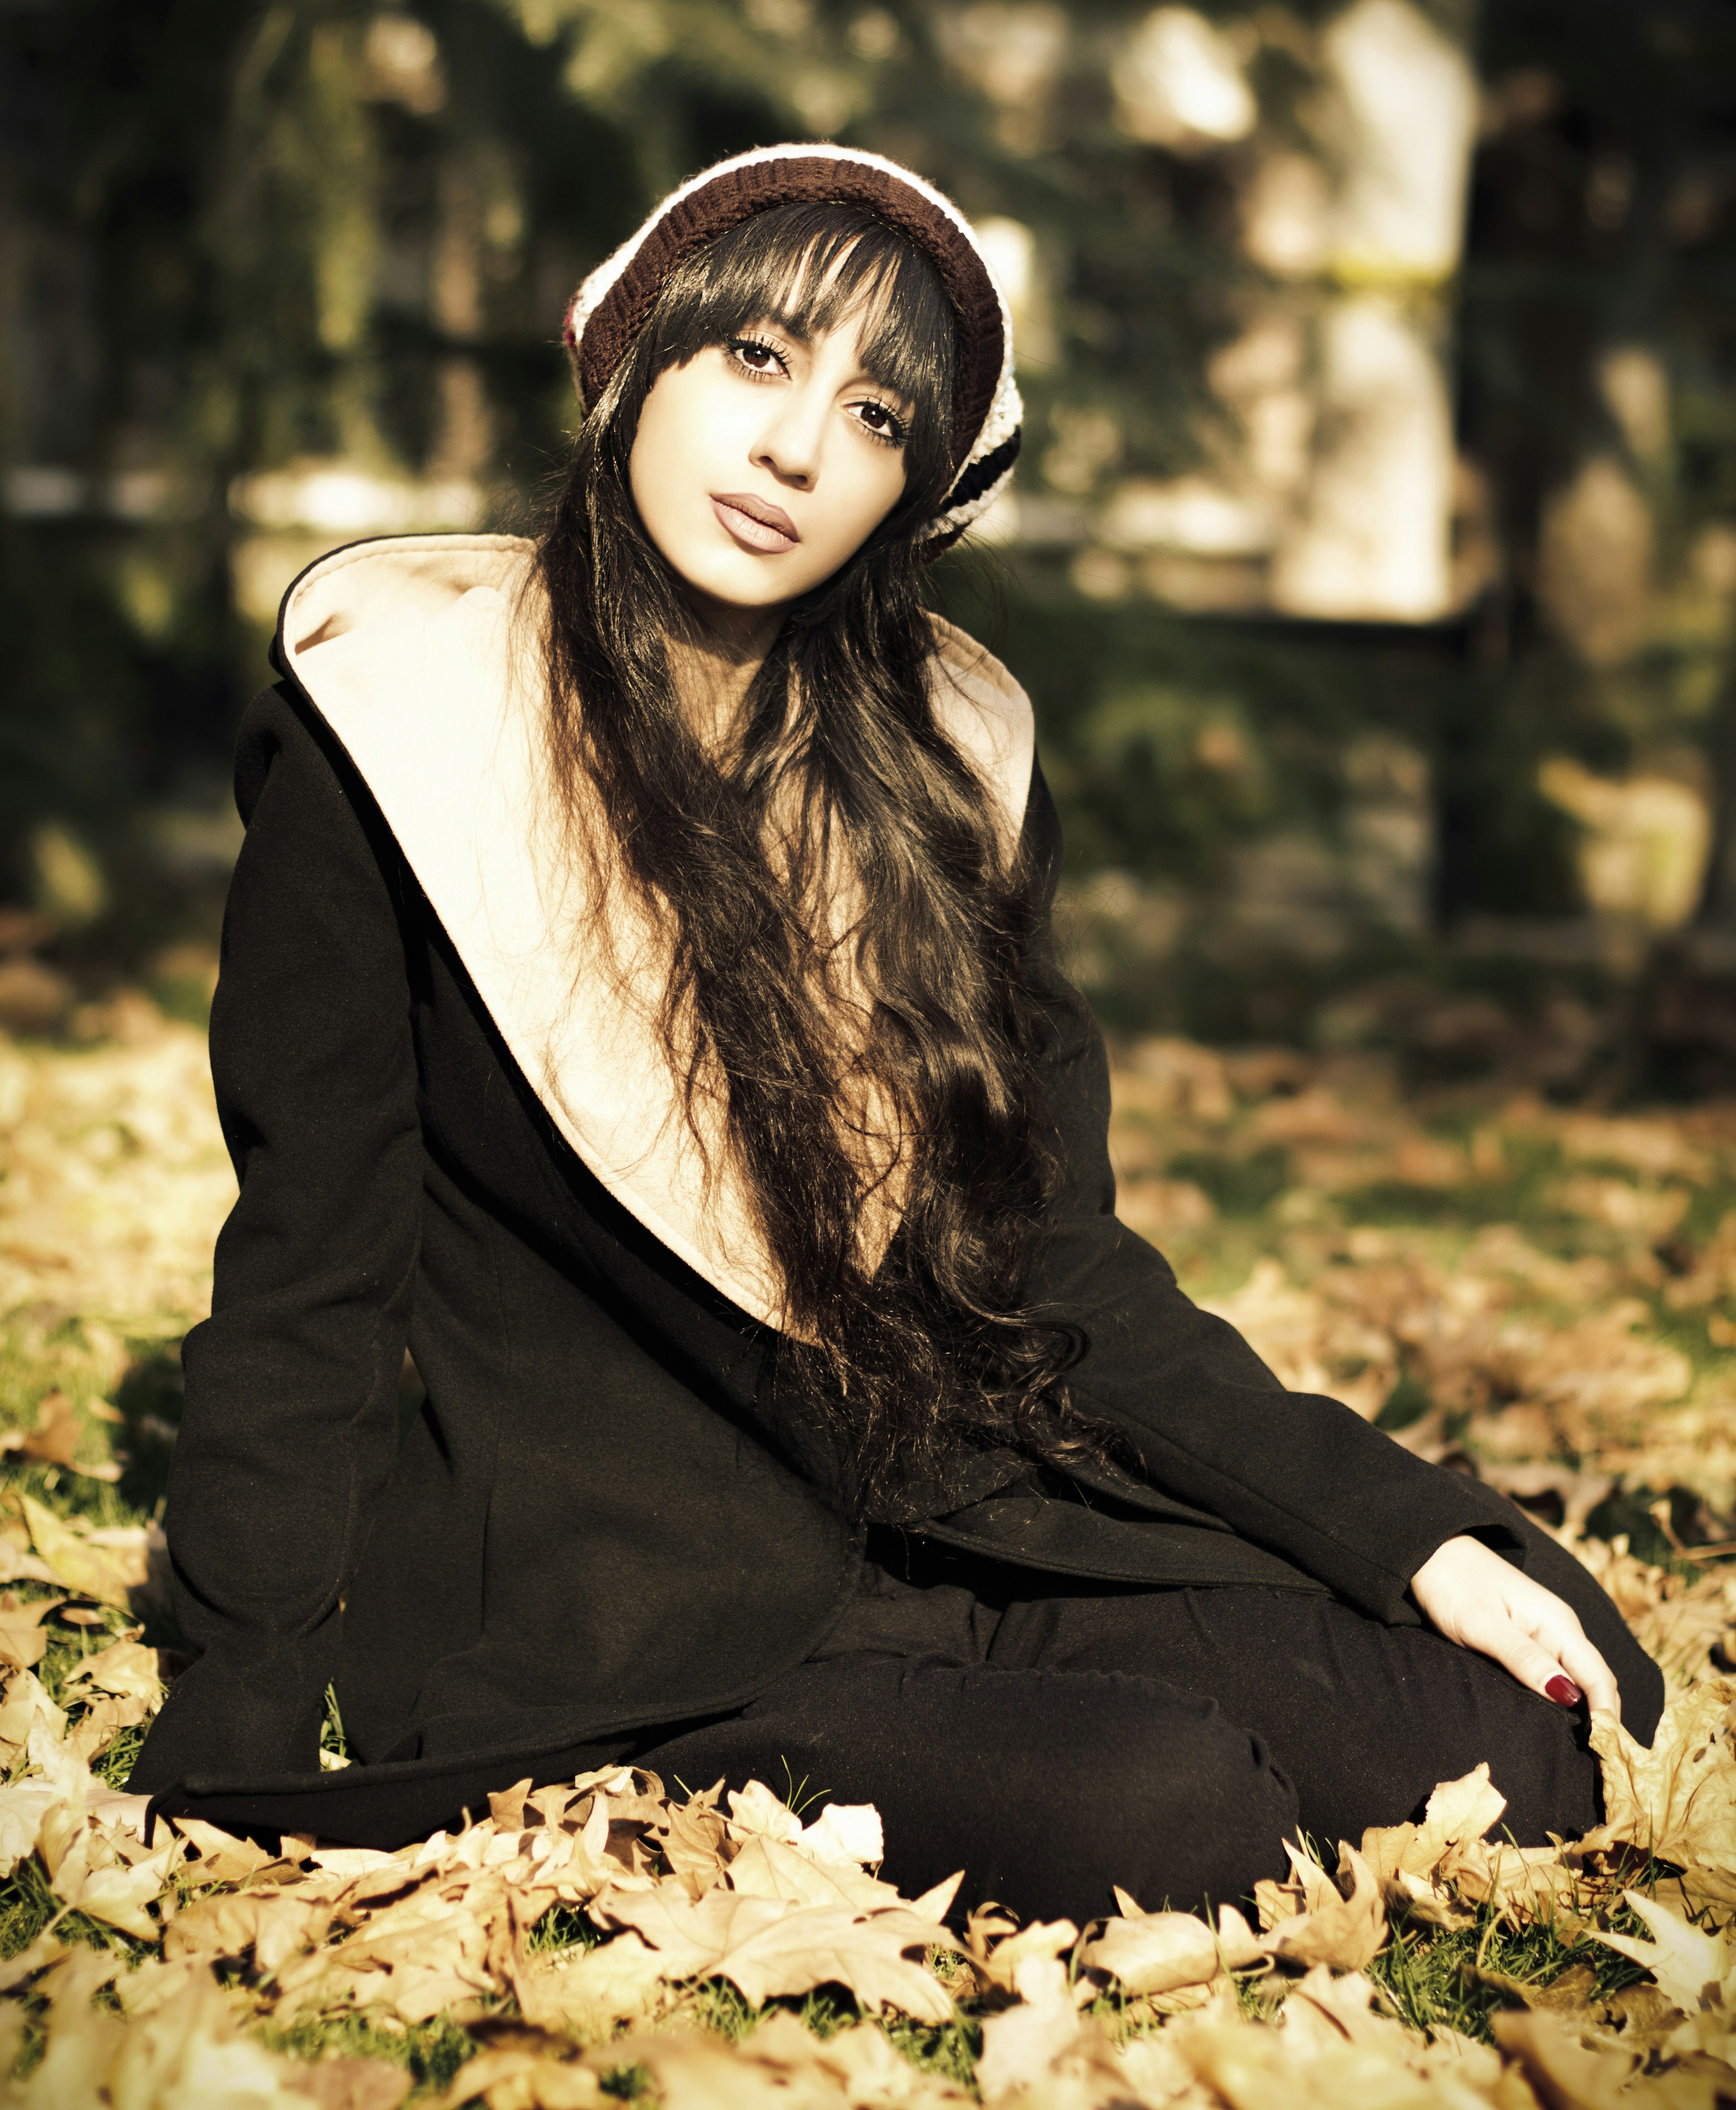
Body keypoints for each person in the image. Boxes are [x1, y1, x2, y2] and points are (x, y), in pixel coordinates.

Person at [130, 146, 1662, 1926]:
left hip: (952, 1523)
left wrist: (1408, 1534)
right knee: (1172, 1812)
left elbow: (1060, 1263)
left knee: (1553, 1701)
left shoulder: (939, 780)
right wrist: (229, 1725)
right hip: (618, 1605)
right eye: (755, 359)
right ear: (635, 361)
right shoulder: (395, 736)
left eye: (873, 417)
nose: (796, 450)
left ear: (911, 492)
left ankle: (1059, 1710)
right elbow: (310, 1274)